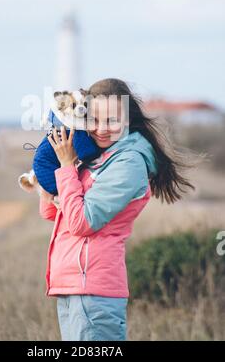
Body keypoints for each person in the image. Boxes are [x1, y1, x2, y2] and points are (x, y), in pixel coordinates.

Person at [39, 78, 196, 341]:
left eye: (111, 120)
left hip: (94, 292)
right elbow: (53, 214)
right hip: (71, 286)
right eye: (94, 120)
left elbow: (82, 222)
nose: (101, 129)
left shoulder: (129, 162)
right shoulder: (97, 157)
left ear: (128, 121)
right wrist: (50, 166)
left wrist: (67, 167)